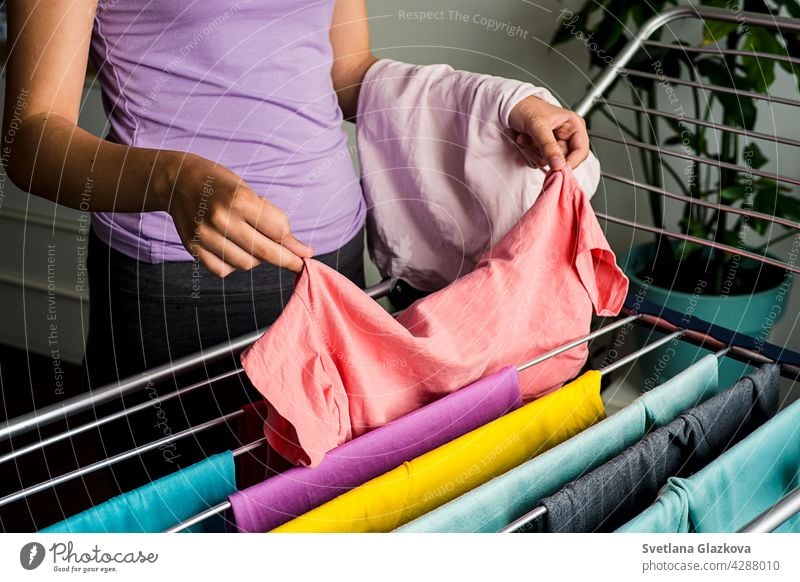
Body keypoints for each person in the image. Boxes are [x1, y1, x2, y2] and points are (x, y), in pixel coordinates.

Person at [2, 0, 590, 493]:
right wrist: (172, 182)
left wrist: (501, 105)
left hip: (334, 260)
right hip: (183, 278)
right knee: (186, 508)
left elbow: (347, 73)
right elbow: (30, 140)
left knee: (318, 504)